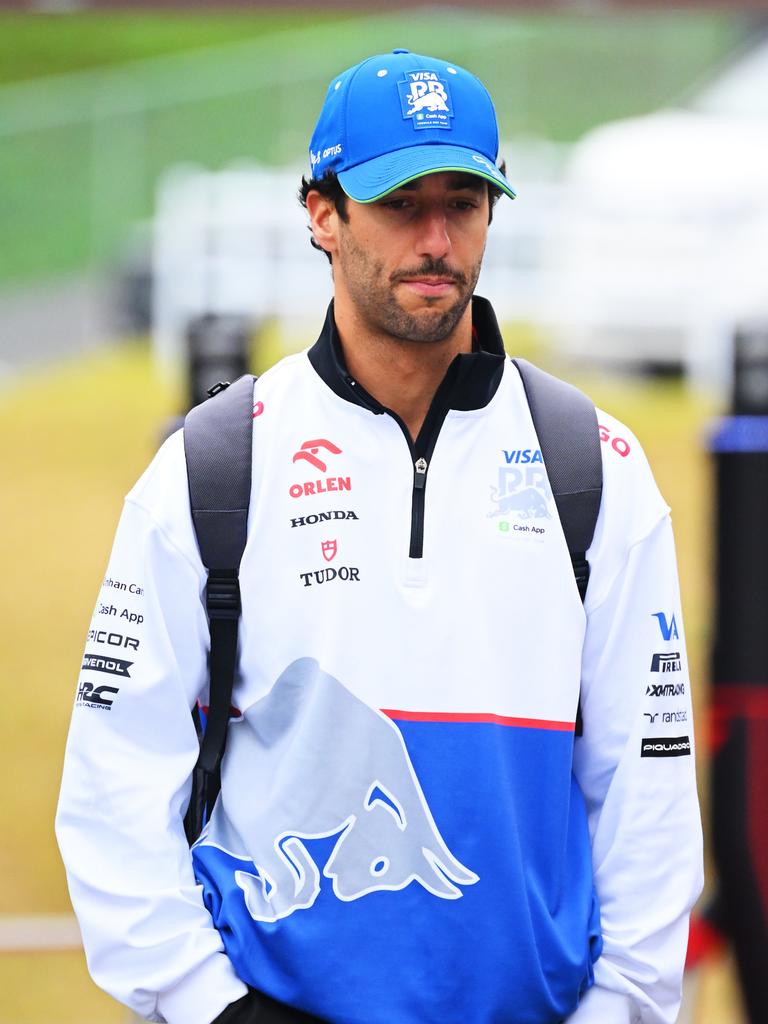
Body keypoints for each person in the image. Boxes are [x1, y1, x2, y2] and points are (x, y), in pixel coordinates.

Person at [57, 49, 703, 1024]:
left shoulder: (596, 464)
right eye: (402, 202)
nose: (437, 238)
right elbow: (115, 769)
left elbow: (646, 784)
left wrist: (622, 1008)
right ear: (321, 211)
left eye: (465, 202)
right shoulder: (213, 463)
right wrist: (208, 1007)